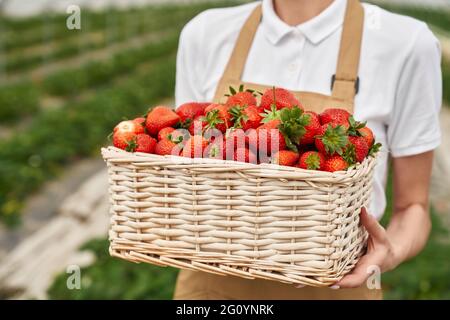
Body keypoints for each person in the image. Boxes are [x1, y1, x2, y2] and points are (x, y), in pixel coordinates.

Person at [173, 0, 442, 299]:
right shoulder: (204, 33)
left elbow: (413, 208)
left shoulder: (406, 43)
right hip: (212, 286)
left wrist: (390, 252)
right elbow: (183, 165)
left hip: (338, 288)